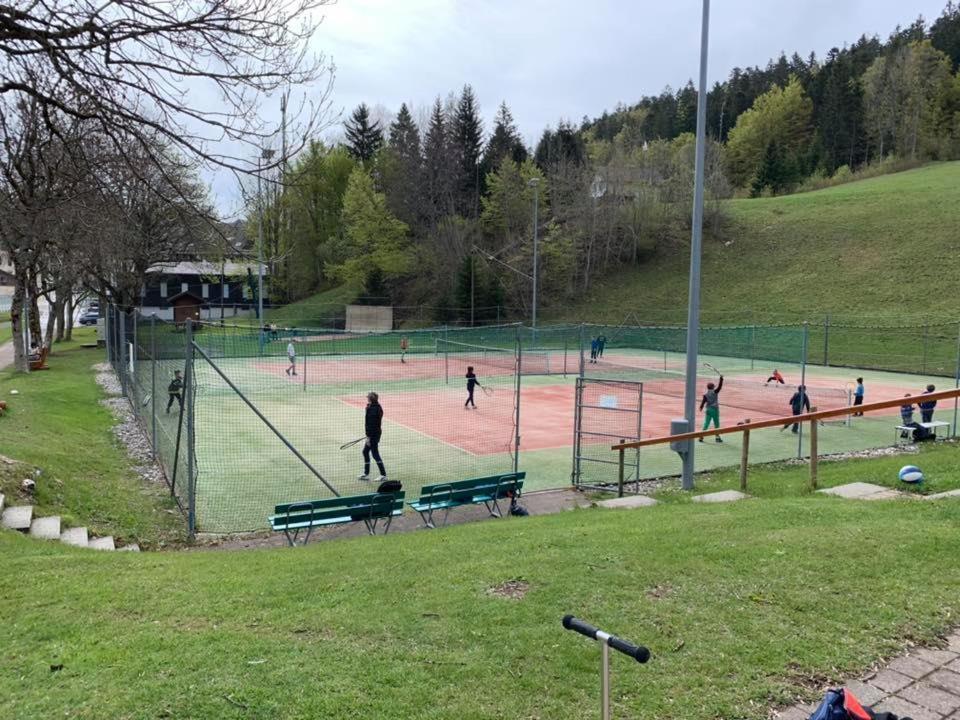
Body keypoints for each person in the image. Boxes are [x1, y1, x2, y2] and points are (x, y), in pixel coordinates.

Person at [359, 392, 388, 482]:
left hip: (373, 435)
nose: (367, 398)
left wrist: (368, 437)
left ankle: (383, 475)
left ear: (370, 399)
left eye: (368, 397)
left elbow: (370, 424)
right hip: (376, 433)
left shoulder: (372, 410)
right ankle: (366, 473)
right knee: (365, 451)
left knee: (375, 454)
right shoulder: (377, 407)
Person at [698, 375, 724, 442]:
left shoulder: (705, 394)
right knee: (716, 424)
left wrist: (701, 407)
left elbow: (703, 402)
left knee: (706, 423)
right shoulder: (715, 392)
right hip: (715, 410)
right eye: (713, 387)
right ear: (712, 387)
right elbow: (720, 387)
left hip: (708, 410)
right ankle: (717, 438)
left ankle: (701, 437)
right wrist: (721, 379)